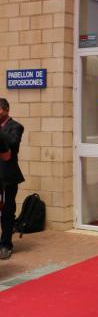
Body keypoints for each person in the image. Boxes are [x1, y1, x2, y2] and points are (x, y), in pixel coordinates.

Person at [0, 98, 25, 260]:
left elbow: (13, 144)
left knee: (7, 212)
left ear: (6, 110)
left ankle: (6, 245)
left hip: (8, 177)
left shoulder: (16, 127)